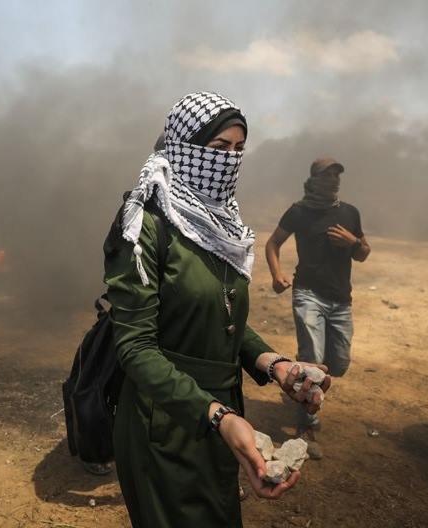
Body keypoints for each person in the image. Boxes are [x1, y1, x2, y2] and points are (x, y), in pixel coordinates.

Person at [104, 92, 331, 528]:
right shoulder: (144, 225)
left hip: (221, 416)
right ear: (183, 148)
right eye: (218, 148)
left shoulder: (220, 223)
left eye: (239, 149)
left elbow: (222, 318)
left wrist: (275, 365)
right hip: (163, 423)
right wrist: (218, 417)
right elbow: (135, 348)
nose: (229, 160)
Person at [265, 158, 370, 454]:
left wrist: (353, 242)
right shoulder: (299, 212)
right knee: (313, 361)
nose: (333, 180)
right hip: (308, 293)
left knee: (338, 365)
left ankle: (301, 379)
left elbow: (363, 253)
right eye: (327, 175)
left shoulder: (350, 212)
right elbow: (273, 243)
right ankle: (306, 423)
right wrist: (276, 274)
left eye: (337, 175)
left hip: (341, 299)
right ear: (313, 180)